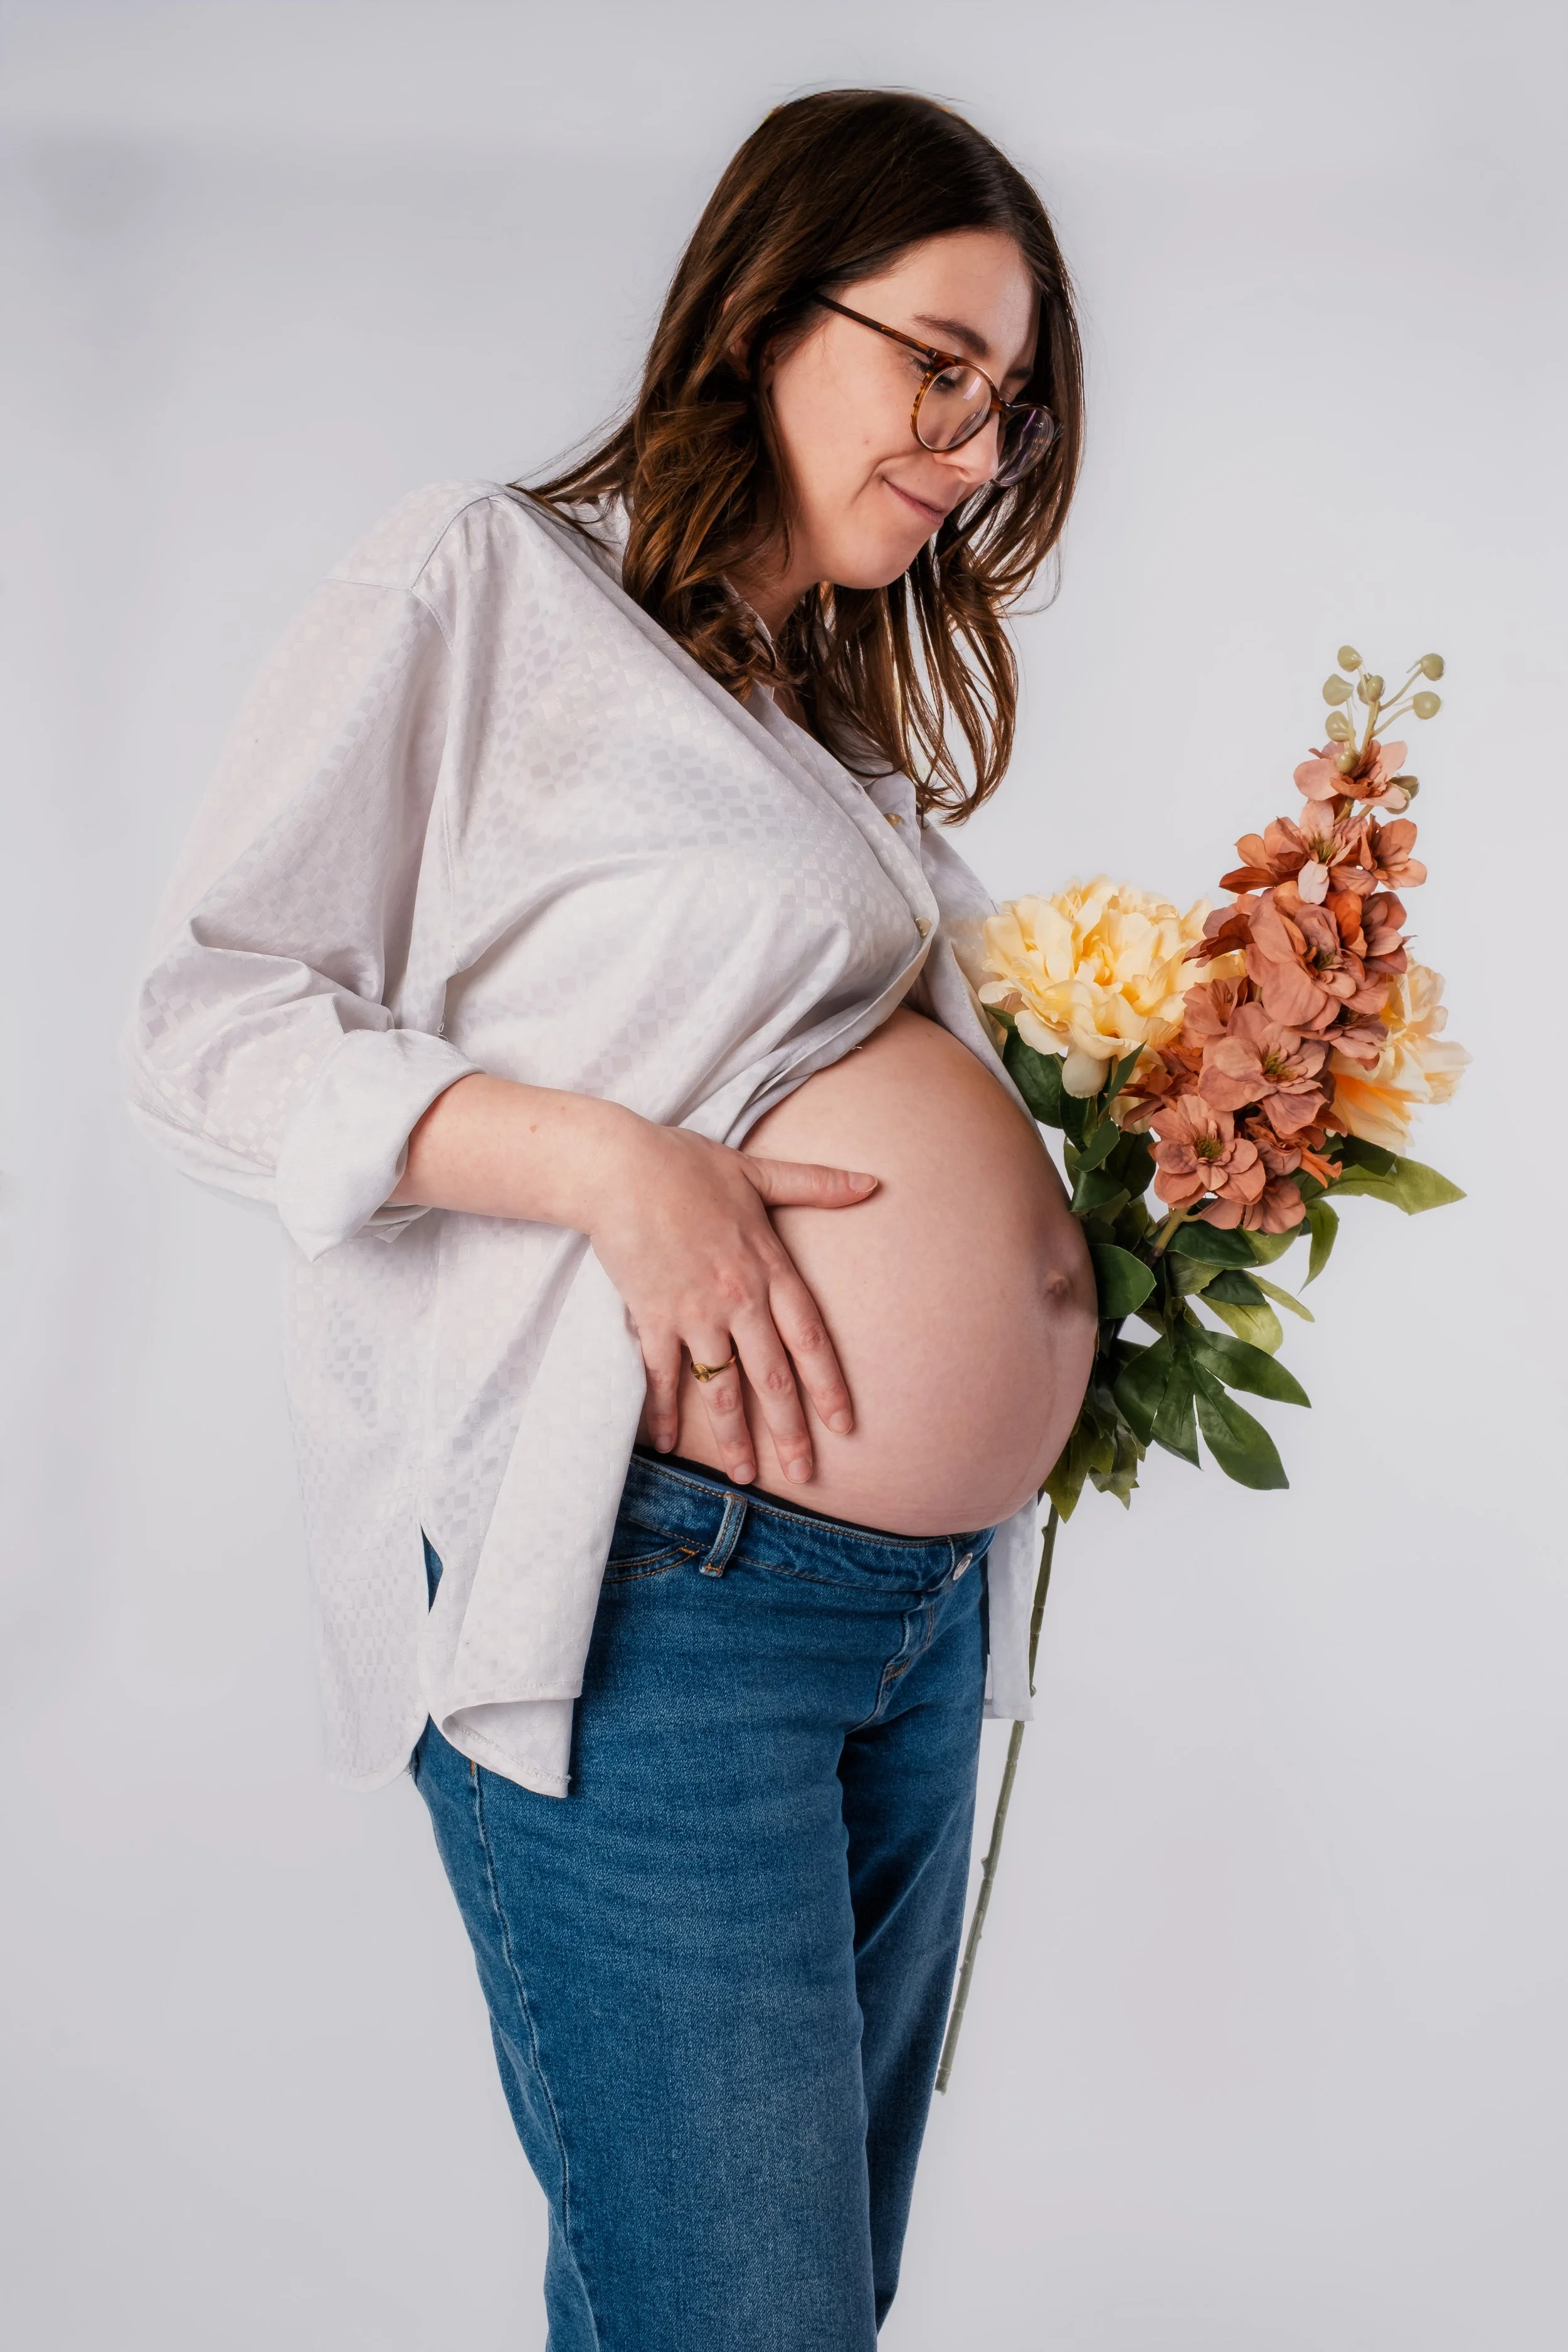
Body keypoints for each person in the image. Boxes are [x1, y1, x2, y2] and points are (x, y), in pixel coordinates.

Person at [125, 87, 1096, 2351]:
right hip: (661, 1608)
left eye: (1009, 402)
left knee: (761, 2318)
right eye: (934, 364)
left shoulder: (812, 716)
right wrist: (593, 1163)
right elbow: (204, 1016)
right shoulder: (482, 585)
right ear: (768, 307)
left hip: (906, 1626)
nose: (973, 442)